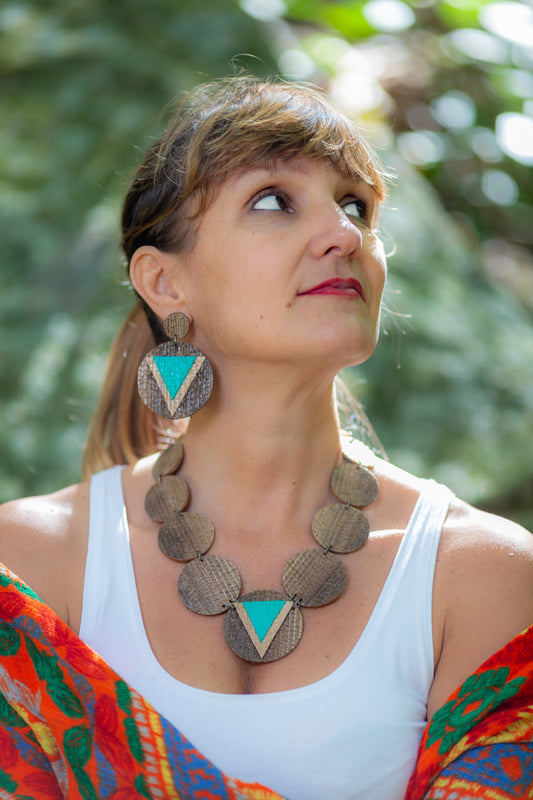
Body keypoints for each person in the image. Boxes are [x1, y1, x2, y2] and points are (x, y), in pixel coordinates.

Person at [0, 75, 531, 800]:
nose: (345, 234)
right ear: (165, 282)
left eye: (356, 206)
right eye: (274, 200)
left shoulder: (481, 576)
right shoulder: (30, 566)